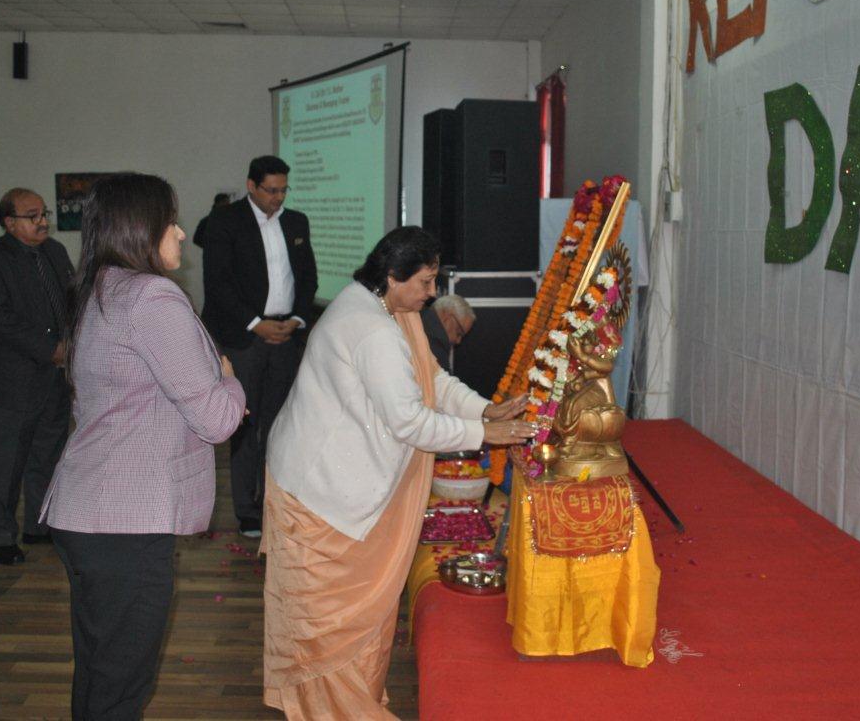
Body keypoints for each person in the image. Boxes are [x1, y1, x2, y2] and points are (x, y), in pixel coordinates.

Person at [261, 226, 536, 718]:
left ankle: (352, 702)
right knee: (325, 624)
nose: (433, 292)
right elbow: (409, 421)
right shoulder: (372, 328)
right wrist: (484, 434)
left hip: (340, 479)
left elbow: (432, 380)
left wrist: (484, 410)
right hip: (319, 490)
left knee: (357, 621)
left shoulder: (390, 309)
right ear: (393, 275)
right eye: (426, 281)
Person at [40, 173, 246, 721]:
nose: (180, 233)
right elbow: (216, 420)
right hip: (122, 523)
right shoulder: (151, 297)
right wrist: (230, 381)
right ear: (139, 228)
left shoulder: (102, 286)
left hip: (93, 513)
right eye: (170, 222)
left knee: (102, 671)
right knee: (121, 683)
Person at [201, 155, 317, 539]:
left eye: (283, 190)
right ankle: (248, 511)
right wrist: (256, 323)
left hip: (286, 334)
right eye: (270, 190)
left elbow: (308, 278)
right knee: (245, 424)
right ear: (251, 186)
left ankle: (274, 501)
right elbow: (218, 284)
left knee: (280, 424)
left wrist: (297, 319)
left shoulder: (296, 222)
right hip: (245, 337)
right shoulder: (224, 222)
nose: (278, 198)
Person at [0, 187, 73, 566]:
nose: (43, 221)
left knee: (47, 456)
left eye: (44, 213)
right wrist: (51, 348)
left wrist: (73, 342)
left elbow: (71, 302)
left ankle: (39, 526)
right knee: (5, 463)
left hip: (55, 378)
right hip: (11, 381)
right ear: (9, 223)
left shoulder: (55, 252)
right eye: (33, 216)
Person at [420, 293, 476, 371]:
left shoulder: (418, 316)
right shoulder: (437, 342)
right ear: (446, 316)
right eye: (458, 333)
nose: (458, 341)